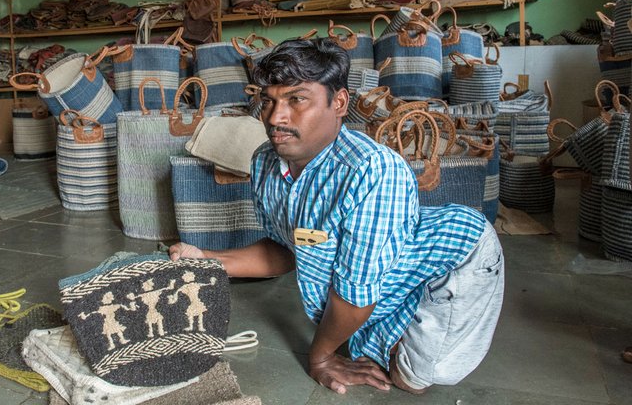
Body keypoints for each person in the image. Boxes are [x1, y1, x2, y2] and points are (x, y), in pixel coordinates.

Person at [169, 37, 505, 395]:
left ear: (339, 102)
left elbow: (354, 297)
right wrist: (205, 260)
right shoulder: (265, 161)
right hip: (392, 267)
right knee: (361, 332)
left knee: (412, 378)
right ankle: (392, 316)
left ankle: (415, 310)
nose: (275, 117)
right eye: (268, 100)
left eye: (296, 99)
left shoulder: (373, 171)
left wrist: (321, 356)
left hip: (459, 259)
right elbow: (285, 248)